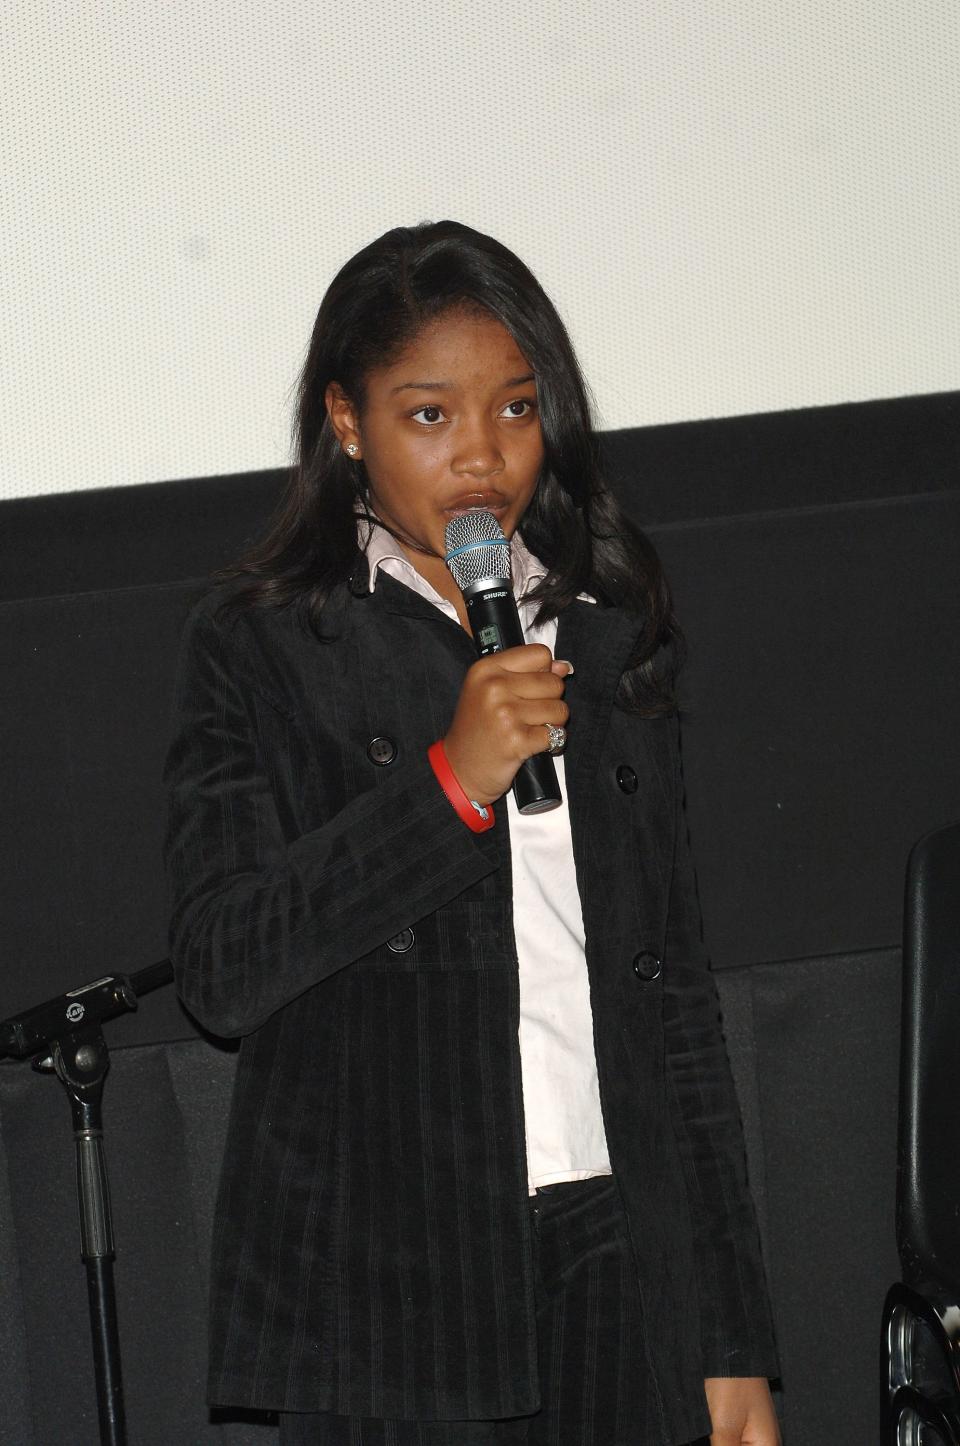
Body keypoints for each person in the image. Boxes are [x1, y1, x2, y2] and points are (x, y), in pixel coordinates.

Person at [164, 221, 780, 1446]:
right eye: (430, 417)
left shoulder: (604, 635)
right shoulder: (267, 648)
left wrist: (731, 1340)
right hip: (396, 1274)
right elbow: (224, 969)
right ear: (348, 423)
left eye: (513, 407)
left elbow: (677, 1008)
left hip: (617, 1253)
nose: (483, 458)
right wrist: (450, 783)